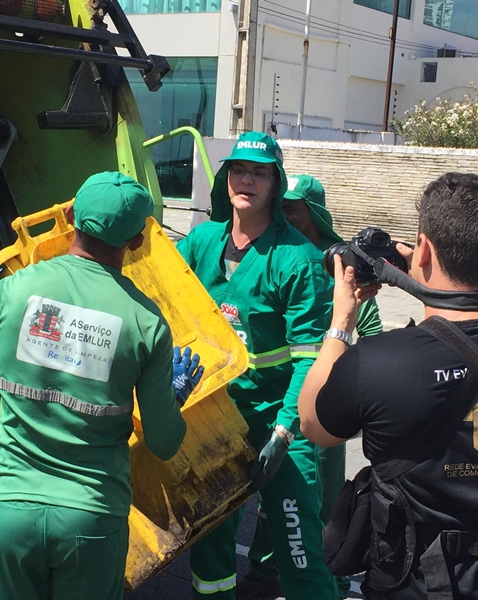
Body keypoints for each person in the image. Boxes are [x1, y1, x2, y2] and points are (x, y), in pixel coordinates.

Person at [298, 172, 478, 599]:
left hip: (413, 584)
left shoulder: (378, 362)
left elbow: (314, 425)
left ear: (422, 249)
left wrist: (341, 322)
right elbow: (462, 349)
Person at [0, 171, 202, 600]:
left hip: (15, 511)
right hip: (91, 519)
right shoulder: (146, 322)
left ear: (69, 216)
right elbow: (163, 443)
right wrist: (174, 394)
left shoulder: (17, 289)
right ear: (137, 241)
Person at [176, 132, 339, 600]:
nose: (247, 180)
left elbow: (311, 361)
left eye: (259, 172)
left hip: (275, 423)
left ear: (276, 183)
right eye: (239, 170)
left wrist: (285, 432)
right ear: (226, 178)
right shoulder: (201, 242)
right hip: (212, 421)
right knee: (209, 553)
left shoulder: (298, 261)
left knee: (298, 550)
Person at [243, 174, 385, 599]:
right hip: (281, 400)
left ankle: (333, 577)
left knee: (315, 505)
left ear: (314, 213)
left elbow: (373, 332)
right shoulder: (273, 255)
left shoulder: (343, 266)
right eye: (280, 206)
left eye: (292, 208)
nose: (282, 214)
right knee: (275, 499)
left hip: (324, 404)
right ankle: (264, 570)